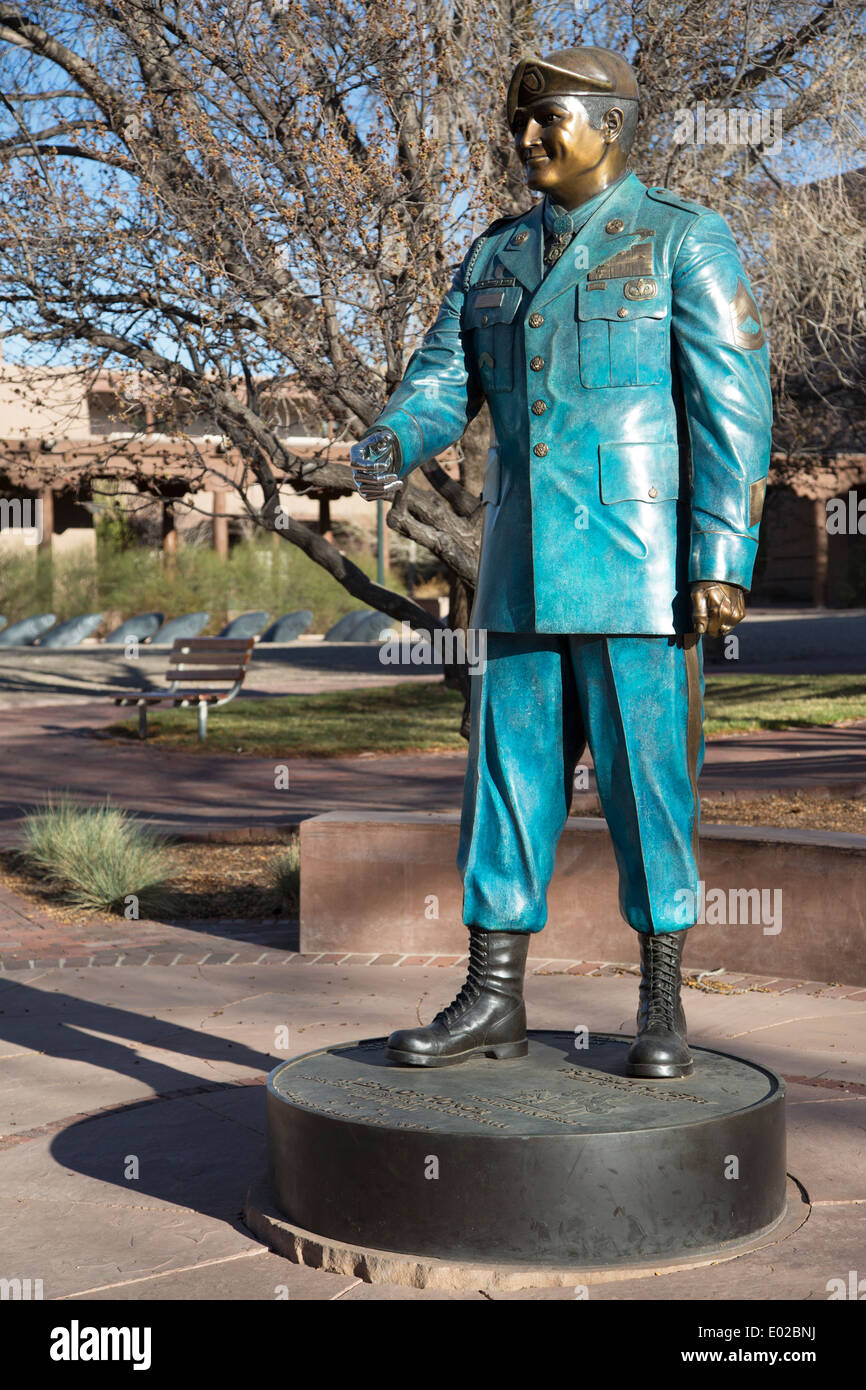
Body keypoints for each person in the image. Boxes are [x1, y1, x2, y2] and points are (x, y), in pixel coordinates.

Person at [351, 46, 771, 1078]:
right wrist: (393, 438)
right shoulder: (492, 255)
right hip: (517, 572)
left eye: (548, 118)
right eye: (519, 123)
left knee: (649, 788)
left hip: (640, 571)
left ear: (611, 124)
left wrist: (720, 555)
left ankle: (660, 1003)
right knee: (503, 783)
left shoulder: (684, 241)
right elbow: (444, 376)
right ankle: (491, 996)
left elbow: (731, 410)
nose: (528, 137)